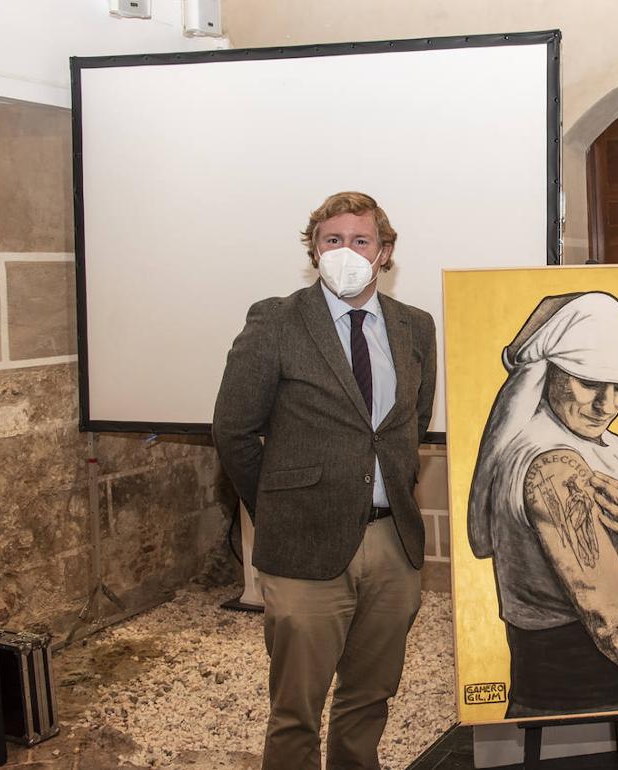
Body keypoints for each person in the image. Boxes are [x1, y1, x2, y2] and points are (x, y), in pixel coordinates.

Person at [212, 191, 436, 770]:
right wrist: (279, 508)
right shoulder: (277, 320)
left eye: (360, 241)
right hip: (304, 546)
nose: (346, 252)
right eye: (332, 240)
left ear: (384, 253)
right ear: (314, 249)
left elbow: (411, 421)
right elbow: (234, 430)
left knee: (370, 697)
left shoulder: (416, 327)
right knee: (296, 709)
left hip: (394, 546)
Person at [467, 292, 618, 718]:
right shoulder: (552, 466)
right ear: (550, 374)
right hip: (577, 701)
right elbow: (614, 623)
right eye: (589, 383)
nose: (606, 405)